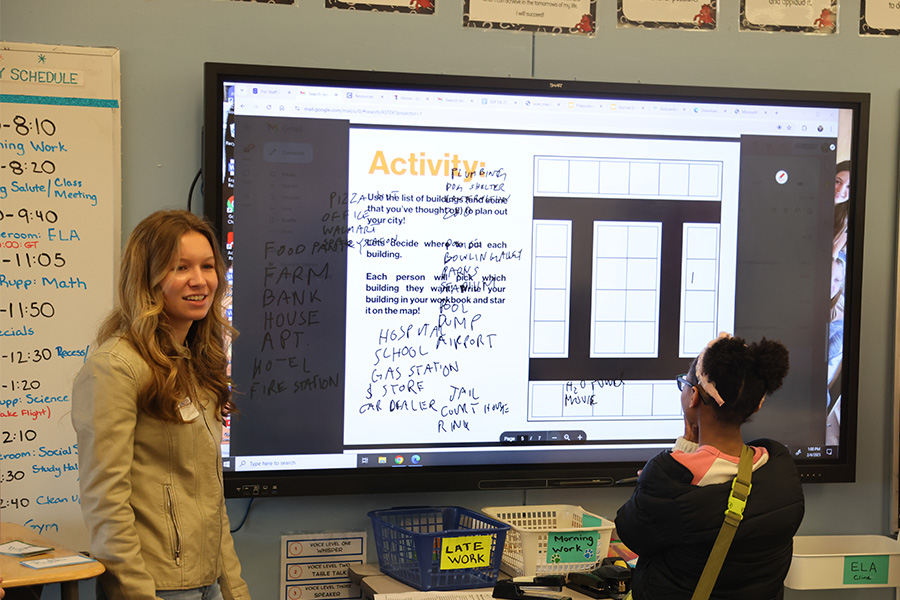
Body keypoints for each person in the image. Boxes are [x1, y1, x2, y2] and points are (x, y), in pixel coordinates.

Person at [72, 210, 251, 600]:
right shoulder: (115, 368)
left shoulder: (195, 363)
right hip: (156, 587)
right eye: (180, 267)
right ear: (148, 279)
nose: (199, 280)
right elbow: (106, 502)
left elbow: (209, 498)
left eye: (208, 266)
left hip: (209, 583)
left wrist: (234, 588)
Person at [615, 333, 804, 600]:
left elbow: (629, 531)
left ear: (694, 397)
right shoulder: (779, 471)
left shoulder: (668, 477)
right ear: (756, 405)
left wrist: (682, 452)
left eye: (685, 383)